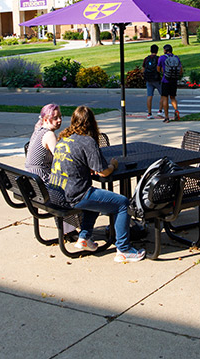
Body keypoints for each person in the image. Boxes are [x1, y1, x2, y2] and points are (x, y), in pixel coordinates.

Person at [49, 106, 145, 262]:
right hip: (75, 195)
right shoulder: (88, 141)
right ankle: (124, 249)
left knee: (96, 199)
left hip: (56, 193)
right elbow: (103, 172)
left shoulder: (64, 138)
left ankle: (84, 238)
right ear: (92, 122)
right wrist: (113, 165)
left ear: (73, 121)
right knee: (122, 203)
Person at [158, 43, 183, 122]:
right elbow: (180, 70)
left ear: (165, 50)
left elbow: (158, 69)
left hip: (165, 80)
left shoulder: (162, 58)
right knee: (173, 97)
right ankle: (176, 111)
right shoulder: (176, 58)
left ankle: (166, 117)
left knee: (165, 98)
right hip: (174, 80)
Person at [142, 44, 163, 119]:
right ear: (157, 51)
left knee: (149, 96)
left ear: (150, 50)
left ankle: (149, 113)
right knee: (163, 95)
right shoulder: (158, 59)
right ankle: (160, 111)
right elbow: (160, 69)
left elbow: (143, 69)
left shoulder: (146, 59)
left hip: (148, 79)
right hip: (157, 79)